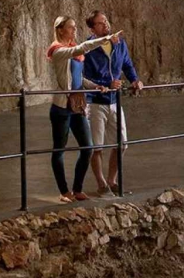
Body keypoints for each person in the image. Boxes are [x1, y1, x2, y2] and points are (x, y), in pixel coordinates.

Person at [46, 16, 120, 202]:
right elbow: (81, 48)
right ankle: (64, 192)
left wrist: (95, 86)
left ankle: (77, 189)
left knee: (87, 147)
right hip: (62, 107)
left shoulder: (71, 50)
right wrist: (105, 39)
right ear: (60, 29)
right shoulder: (58, 51)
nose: (74, 31)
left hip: (77, 105)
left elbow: (79, 78)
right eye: (71, 28)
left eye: (75, 27)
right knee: (59, 150)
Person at [81, 10, 143, 196]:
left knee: (121, 143)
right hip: (96, 102)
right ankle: (101, 184)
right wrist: (105, 84)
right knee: (97, 147)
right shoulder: (88, 47)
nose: (106, 25)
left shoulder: (119, 43)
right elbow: (83, 76)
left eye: (106, 20)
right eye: (100, 23)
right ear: (92, 28)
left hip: (115, 100)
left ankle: (112, 180)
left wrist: (135, 80)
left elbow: (127, 64)